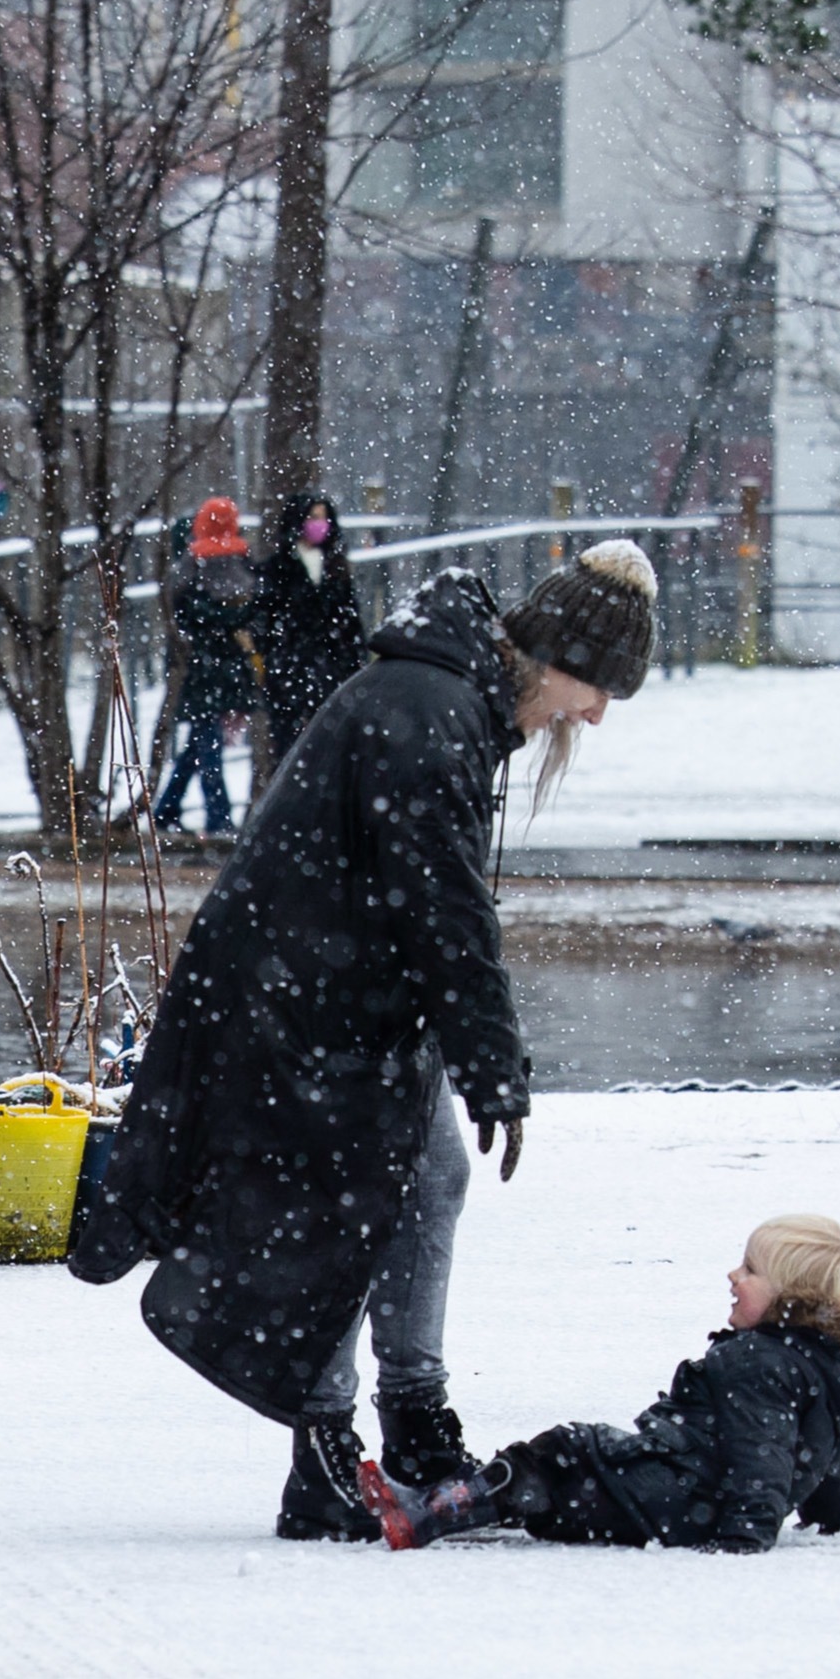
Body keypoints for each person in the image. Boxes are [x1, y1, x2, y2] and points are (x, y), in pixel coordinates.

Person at [70, 543, 660, 1540]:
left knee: (425, 1177)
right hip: (300, 995)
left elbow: (437, 906)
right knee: (341, 1209)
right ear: (557, 658)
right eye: (598, 688)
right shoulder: (430, 710)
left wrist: (479, 1055)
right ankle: (324, 1447)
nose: (595, 714)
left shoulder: (447, 697)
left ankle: (414, 1419)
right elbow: (445, 907)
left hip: (334, 985)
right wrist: (491, 1068)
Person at [364, 1214, 840, 1553]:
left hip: (674, 1499)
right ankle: (478, 1501)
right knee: (563, 1491)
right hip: (686, 1499)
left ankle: (427, 1513)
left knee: (560, 1453)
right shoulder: (821, 1371)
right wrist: (836, 1519)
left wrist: (745, 1537)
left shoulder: (759, 1362)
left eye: (750, 1270)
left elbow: (761, 1455)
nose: (734, 1276)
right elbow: (823, 1454)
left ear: (791, 1297)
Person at [155, 498, 267, 835]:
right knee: (207, 744)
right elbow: (252, 609)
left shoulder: (189, 567)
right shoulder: (243, 563)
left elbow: (191, 614)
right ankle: (217, 817)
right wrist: (238, 621)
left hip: (202, 667)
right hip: (229, 664)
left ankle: (170, 810)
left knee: (202, 743)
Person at [248, 494, 365, 786]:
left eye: (323, 518)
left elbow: (350, 626)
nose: (319, 524)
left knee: (331, 750)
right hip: (289, 675)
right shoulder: (276, 570)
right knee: (288, 752)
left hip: (331, 674)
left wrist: (352, 665)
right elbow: (263, 622)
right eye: (312, 517)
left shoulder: (337, 569)